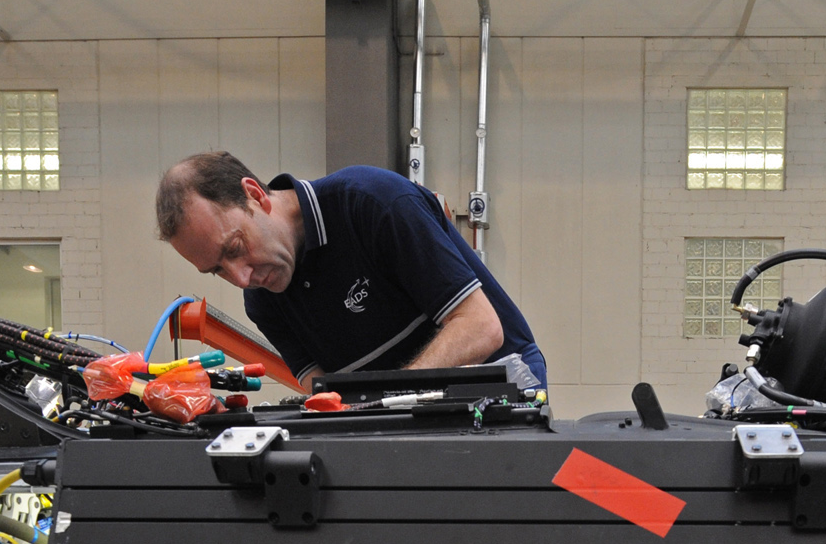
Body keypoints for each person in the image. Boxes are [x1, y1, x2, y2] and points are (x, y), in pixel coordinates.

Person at [156, 151, 546, 391]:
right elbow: (325, 395)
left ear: (255, 196)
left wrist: (392, 400)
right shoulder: (263, 301)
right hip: (409, 423)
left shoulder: (372, 203)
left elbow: (481, 327)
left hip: (499, 390)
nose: (241, 277)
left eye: (235, 248)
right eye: (217, 271)